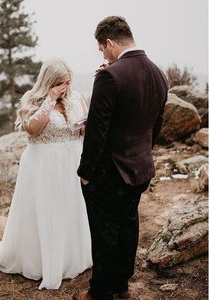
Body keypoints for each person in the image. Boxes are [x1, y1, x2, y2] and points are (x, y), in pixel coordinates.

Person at [0, 58, 92, 290]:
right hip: (44, 166)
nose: (65, 87)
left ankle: (70, 257)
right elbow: (33, 130)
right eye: (59, 83)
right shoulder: (32, 100)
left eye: (67, 81)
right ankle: (43, 261)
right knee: (48, 209)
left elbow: (85, 128)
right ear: (49, 82)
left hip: (72, 161)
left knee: (70, 207)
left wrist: (83, 127)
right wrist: (50, 100)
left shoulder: (76, 98)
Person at [74, 16, 168, 300]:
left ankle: (100, 292)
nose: (103, 55)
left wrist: (86, 171)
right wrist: (141, 152)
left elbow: (97, 131)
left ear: (111, 42)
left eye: (102, 48)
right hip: (140, 168)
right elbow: (156, 125)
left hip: (109, 171)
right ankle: (121, 285)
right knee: (128, 225)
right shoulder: (158, 74)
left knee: (103, 232)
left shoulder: (110, 76)